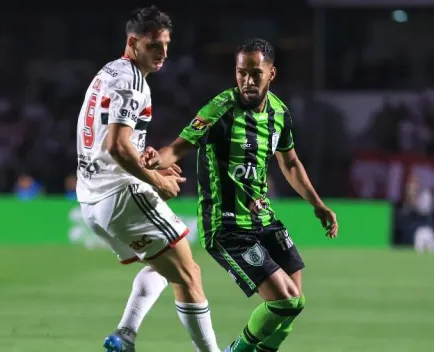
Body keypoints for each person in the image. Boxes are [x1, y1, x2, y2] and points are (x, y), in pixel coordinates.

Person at [141, 38, 339, 352]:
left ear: (271, 73)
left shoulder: (279, 113)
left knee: (294, 304)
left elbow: (289, 161)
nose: (246, 80)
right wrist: (157, 159)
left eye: (255, 73)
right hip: (228, 226)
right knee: (285, 301)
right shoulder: (219, 110)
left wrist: (317, 204)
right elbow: (179, 147)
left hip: (264, 219)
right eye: (240, 72)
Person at [75, 5, 221, 352]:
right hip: (120, 194)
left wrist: (149, 165)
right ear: (134, 42)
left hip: (91, 200)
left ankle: (125, 335)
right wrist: (155, 181)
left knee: (164, 267)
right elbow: (115, 147)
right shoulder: (132, 82)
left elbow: (107, 142)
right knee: (189, 276)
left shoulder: (109, 72)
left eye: (167, 45)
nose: (163, 53)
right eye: (155, 45)